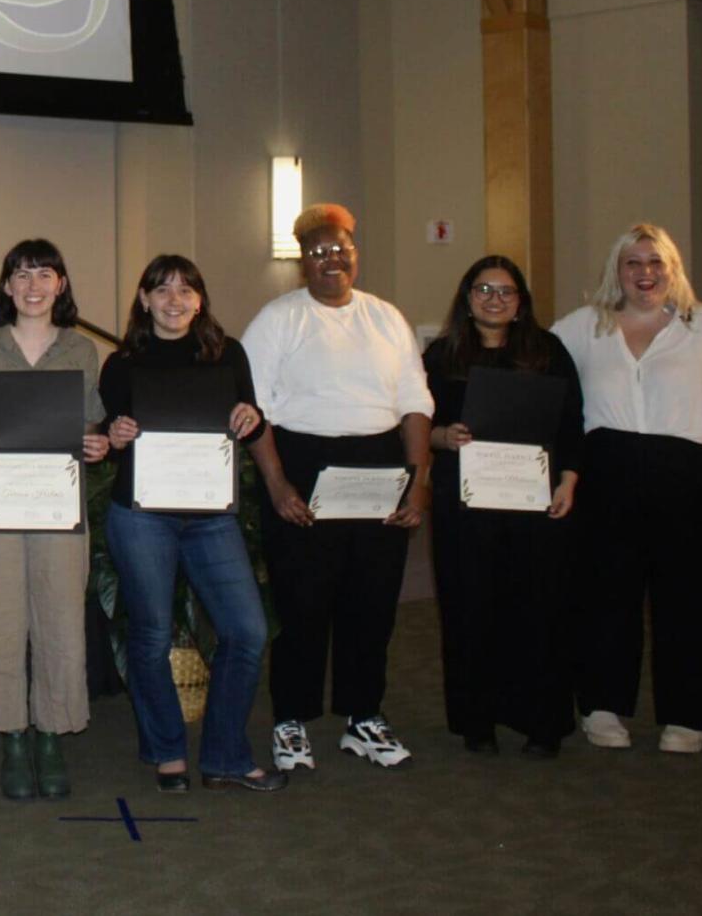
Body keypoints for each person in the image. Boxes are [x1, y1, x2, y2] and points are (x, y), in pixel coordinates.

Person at [551, 223, 702, 754]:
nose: (645, 273)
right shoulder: (586, 326)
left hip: (689, 480)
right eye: (633, 262)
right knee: (604, 596)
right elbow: (539, 366)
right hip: (607, 475)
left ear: (673, 269)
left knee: (691, 600)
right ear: (617, 271)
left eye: (656, 262)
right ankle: (602, 706)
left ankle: (685, 716)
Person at [242, 203, 433, 773]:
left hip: (378, 463)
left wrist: (418, 484)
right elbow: (254, 411)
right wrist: (276, 484)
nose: (332, 259)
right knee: (303, 602)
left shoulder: (386, 318)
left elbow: (415, 403)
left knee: (371, 602)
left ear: (356, 252)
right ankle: (291, 720)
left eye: (341, 248)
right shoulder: (279, 318)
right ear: (303, 262)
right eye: (319, 251)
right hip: (303, 461)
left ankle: (362, 716)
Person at [99, 254, 286, 795]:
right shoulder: (122, 364)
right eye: (161, 290)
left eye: (185, 290)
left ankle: (225, 755)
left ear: (200, 299)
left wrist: (252, 417)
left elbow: (249, 419)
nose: (174, 300)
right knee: (152, 634)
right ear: (144, 300)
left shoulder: (228, 354)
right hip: (141, 515)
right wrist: (116, 434)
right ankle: (167, 751)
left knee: (246, 631)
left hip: (210, 515)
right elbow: (111, 438)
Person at [0, 238, 109, 800]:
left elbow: (92, 424)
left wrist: (97, 444)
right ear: (7, 286)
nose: (34, 286)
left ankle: (51, 732)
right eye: (22, 275)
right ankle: (12, 734)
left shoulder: (82, 350)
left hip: (56, 501)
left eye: (45, 275)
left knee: (61, 615)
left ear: (60, 285)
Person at [424, 255, 584, 757]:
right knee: (470, 607)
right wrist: (443, 436)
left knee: (539, 607)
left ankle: (542, 722)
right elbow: (413, 425)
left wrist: (569, 481)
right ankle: (478, 722)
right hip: (465, 504)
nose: (495, 299)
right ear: (467, 298)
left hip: (533, 500)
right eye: (483, 290)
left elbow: (572, 423)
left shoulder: (549, 352)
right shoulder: (441, 356)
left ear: (521, 303)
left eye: (506, 292)